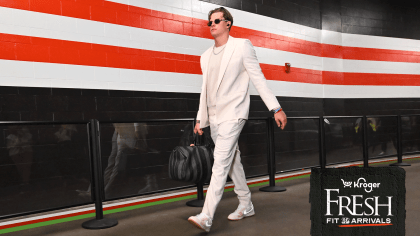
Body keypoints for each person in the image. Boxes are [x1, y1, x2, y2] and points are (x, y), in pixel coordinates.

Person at [187, 7, 287, 233]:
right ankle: (246, 203)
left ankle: (206, 215)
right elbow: (205, 91)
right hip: (214, 118)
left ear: (228, 23)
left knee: (220, 163)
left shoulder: (242, 46)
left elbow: (258, 78)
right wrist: (200, 120)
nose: (212, 24)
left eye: (216, 21)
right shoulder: (204, 56)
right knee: (233, 162)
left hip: (234, 114)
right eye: (209, 22)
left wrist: (276, 108)